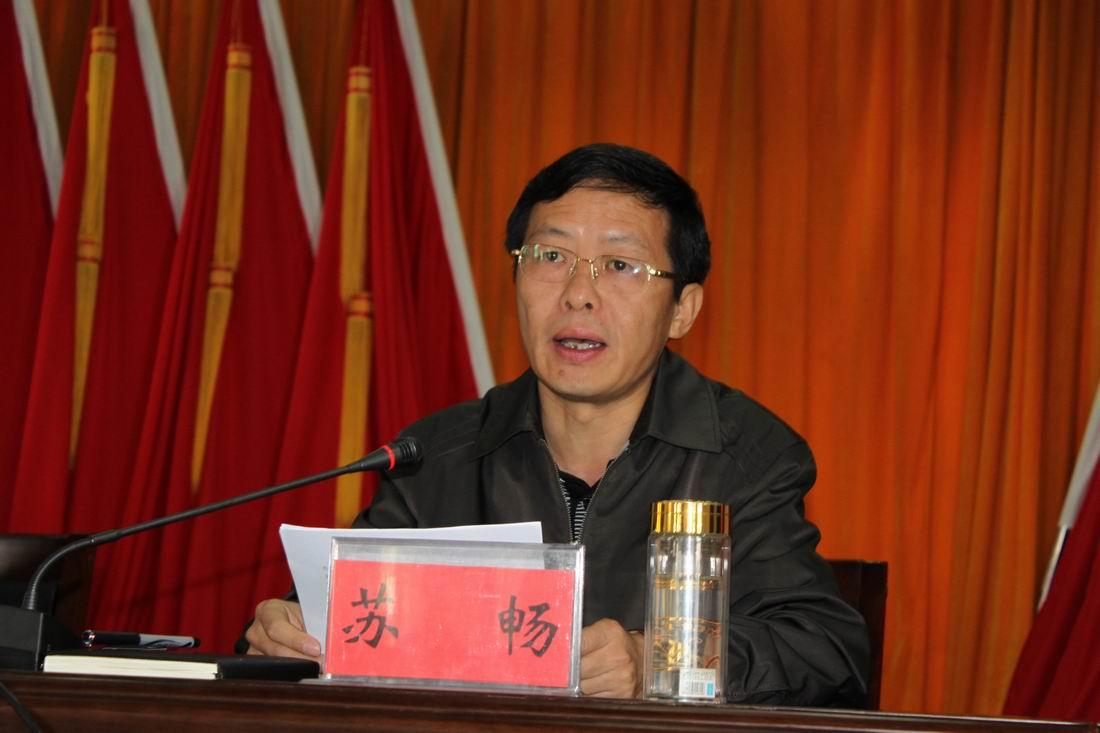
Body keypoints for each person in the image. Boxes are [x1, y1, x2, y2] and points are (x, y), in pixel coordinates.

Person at [244, 143, 869, 705]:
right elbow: (335, 622)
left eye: (620, 265)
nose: (577, 294)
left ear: (682, 309)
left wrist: (657, 661)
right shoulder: (437, 457)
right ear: (516, 278)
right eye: (550, 255)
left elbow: (826, 650)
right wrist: (285, 635)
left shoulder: (748, 459)